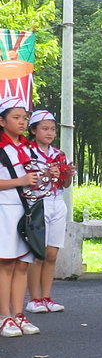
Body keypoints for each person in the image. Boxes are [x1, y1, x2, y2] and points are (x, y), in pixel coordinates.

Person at [25, 110, 76, 314]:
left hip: (57, 202)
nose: (50, 133)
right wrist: (45, 174)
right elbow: (25, 180)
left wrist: (69, 174)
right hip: (37, 203)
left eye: (53, 129)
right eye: (44, 129)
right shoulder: (27, 152)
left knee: (52, 253)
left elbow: (65, 183)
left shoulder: (59, 154)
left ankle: (47, 296)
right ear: (33, 130)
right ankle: (33, 299)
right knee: (38, 253)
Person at [0, 96, 40, 337]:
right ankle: (4, 315)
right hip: (5, 208)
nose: (22, 122)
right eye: (16, 117)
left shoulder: (28, 147)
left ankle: (18, 314)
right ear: (2, 121)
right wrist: (21, 181)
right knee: (6, 264)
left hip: (28, 210)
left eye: (24, 117)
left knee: (23, 264)